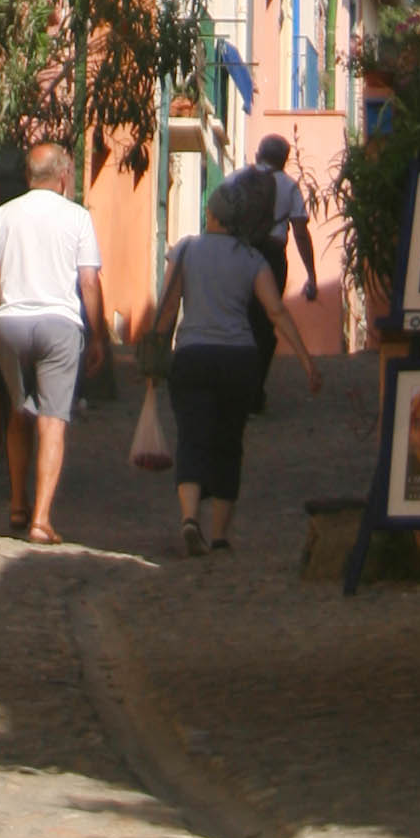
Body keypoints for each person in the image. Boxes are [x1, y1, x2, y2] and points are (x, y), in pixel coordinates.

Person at [146, 171, 316, 554]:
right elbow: (275, 312)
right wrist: (306, 360)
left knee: (192, 438)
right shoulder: (253, 259)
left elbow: (169, 307)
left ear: (211, 215)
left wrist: (154, 356)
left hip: (192, 356)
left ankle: (190, 518)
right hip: (239, 359)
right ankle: (220, 535)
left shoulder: (186, 250)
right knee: (228, 444)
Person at [0, 141, 106, 543]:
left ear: (29, 176)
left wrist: (3, 296)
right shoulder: (77, 217)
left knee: (18, 411)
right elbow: (89, 281)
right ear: (64, 177)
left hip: (10, 323)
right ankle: (41, 520)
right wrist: (96, 334)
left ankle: (15, 504)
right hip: (59, 324)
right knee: (51, 420)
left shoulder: (3, 214)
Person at [250, 132, 322, 402]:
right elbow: (301, 233)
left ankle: (233, 388)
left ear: (258, 154)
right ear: (285, 160)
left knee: (239, 319)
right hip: (270, 257)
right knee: (266, 321)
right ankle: (254, 391)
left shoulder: (238, 179)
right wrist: (311, 275)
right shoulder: (289, 186)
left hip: (239, 254)